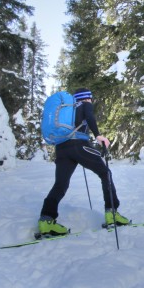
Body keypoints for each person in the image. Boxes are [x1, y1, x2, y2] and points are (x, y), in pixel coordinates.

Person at [37, 88, 129, 236]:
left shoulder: (69, 111)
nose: (91, 101)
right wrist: (98, 136)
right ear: (87, 98)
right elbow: (90, 117)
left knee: (60, 184)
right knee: (105, 173)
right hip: (78, 146)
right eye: (90, 98)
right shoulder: (84, 104)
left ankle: (46, 220)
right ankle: (112, 214)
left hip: (61, 148)